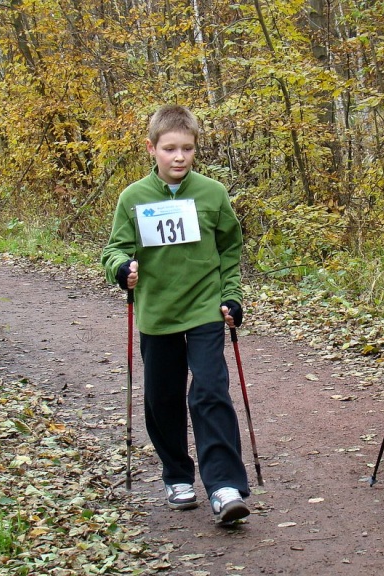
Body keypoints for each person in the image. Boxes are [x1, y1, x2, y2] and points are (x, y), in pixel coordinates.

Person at [101, 104, 251, 524]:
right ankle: (177, 474)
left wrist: (232, 296)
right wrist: (120, 268)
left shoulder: (212, 194)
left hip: (204, 309)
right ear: (152, 149)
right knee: (162, 398)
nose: (179, 157)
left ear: (196, 148)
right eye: (170, 149)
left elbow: (230, 249)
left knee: (209, 391)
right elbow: (114, 248)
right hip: (157, 313)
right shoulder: (133, 198)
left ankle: (224, 486)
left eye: (187, 148)